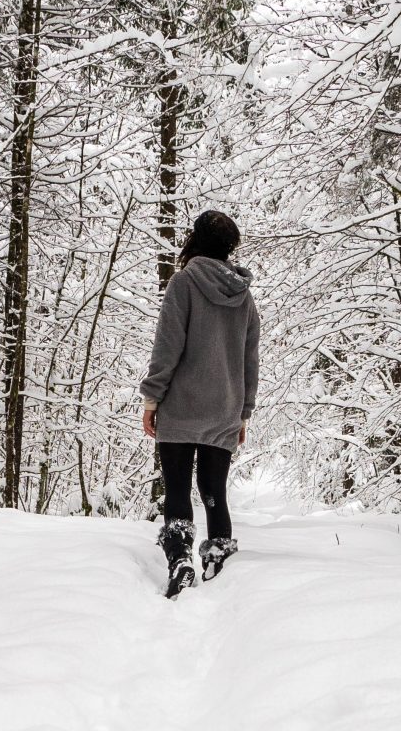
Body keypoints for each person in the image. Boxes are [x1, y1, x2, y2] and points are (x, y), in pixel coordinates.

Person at [140, 209, 259, 598]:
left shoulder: (184, 283)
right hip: (224, 409)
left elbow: (167, 347)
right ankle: (218, 554)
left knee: (177, 489)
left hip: (181, 406)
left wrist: (152, 398)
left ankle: (180, 559)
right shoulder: (244, 298)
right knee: (213, 491)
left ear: (195, 239)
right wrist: (243, 413)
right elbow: (249, 361)